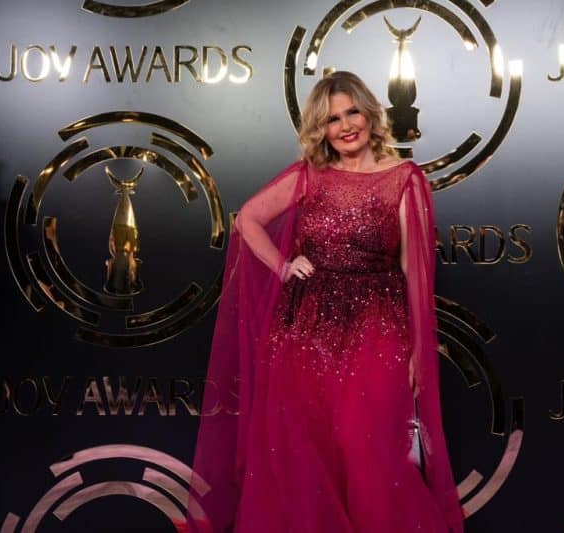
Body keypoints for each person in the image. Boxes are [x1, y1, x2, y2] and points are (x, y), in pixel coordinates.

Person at [187, 71, 464, 533]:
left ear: (370, 114)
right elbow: (248, 220)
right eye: (333, 119)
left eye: (352, 112)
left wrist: (418, 348)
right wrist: (283, 266)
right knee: (302, 458)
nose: (346, 126)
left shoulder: (404, 179)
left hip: (377, 326)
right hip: (305, 333)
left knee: (368, 451)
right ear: (321, 129)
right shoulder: (308, 176)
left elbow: (414, 271)